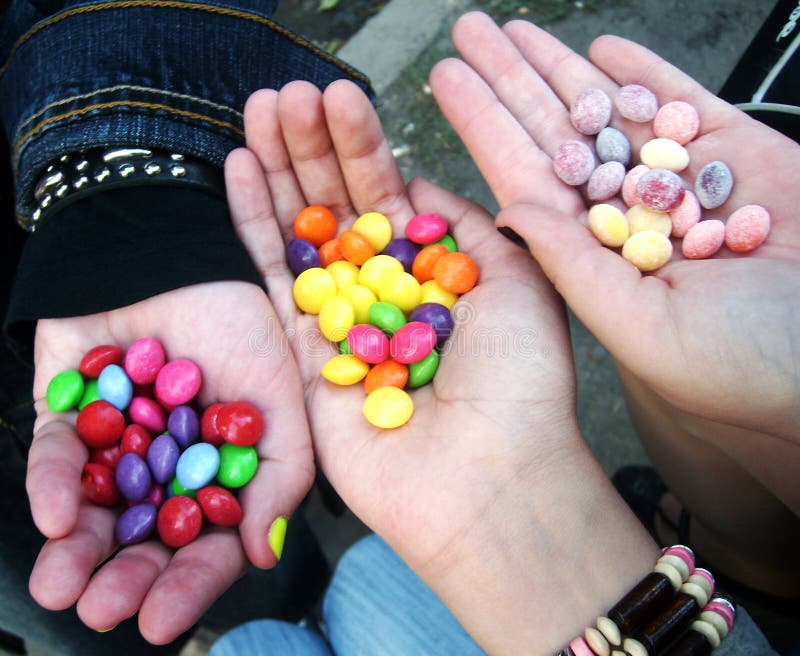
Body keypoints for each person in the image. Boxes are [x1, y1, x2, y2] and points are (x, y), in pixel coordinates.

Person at [0, 0, 372, 652]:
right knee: (84, 599)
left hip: (52, 240)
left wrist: (122, 178)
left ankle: (294, 609)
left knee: (229, 549)